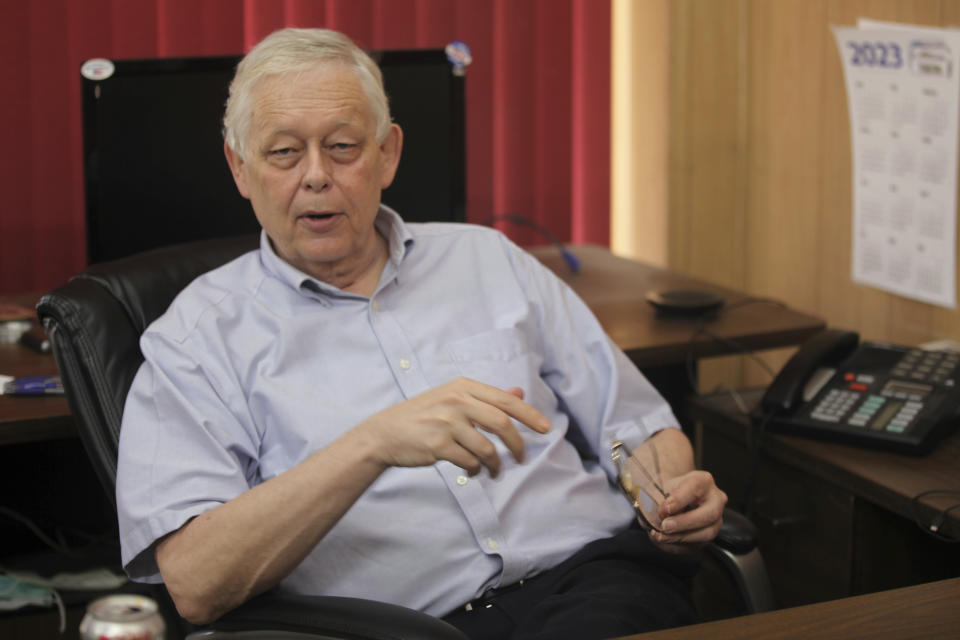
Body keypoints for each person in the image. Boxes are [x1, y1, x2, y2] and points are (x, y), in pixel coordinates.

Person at [115, 27, 727, 640]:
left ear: (387, 153)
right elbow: (195, 585)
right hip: (397, 627)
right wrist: (372, 445)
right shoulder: (194, 339)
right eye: (283, 153)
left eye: (343, 146)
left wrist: (669, 493)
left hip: (592, 582)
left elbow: (637, 425)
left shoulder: (489, 259)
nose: (317, 176)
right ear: (239, 167)